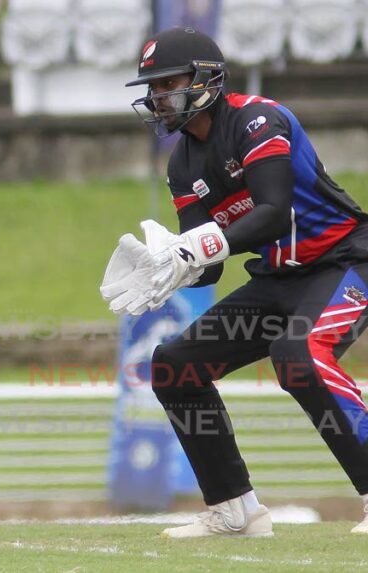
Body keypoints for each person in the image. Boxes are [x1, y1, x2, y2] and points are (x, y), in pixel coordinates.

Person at [101, 26, 368, 538]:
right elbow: (213, 263)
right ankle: (236, 509)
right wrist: (168, 268)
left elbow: (272, 213)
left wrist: (197, 247)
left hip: (345, 259)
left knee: (300, 354)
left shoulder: (257, 119)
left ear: (207, 78)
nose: (159, 98)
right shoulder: (181, 162)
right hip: (279, 277)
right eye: (153, 89)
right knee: (174, 366)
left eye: (168, 83)